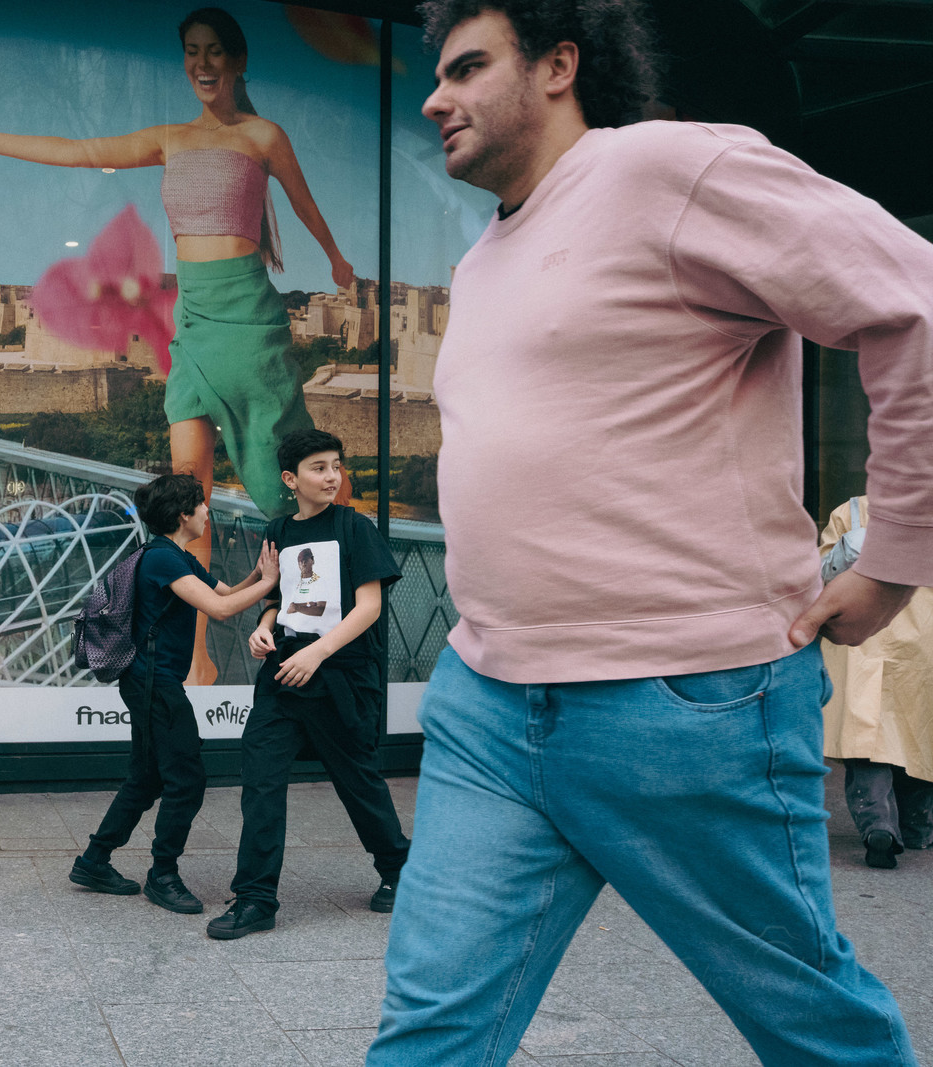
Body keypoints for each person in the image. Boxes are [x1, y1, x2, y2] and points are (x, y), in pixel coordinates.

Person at [368, 2, 933, 1063]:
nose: (434, 97)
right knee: (431, 1029)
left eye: (466, 67)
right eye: (433, 76)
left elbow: (914, 302)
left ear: (559, 67)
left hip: (684, 698)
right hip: (488, 701)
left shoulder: (669, 170)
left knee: (812, 1023)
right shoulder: (483, 259)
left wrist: (898, 554)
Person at [0, 6, 354, 684]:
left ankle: (308, 635)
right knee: (192, 502)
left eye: (215, 51)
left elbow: (303, 204)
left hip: (250, 324)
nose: (203, 64)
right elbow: (83, 153)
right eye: (192, 52)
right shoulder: (169, 139)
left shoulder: (263, 135)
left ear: (237, 60)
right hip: (193, 327)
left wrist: (335, 257)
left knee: (285, 495)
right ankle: (197, 659)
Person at [207, 429, 410, 939]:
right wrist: (262, 627)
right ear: (290, 479)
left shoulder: (353, 527)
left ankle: (402, 873)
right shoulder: (279, 530)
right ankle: (255, 899)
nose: (331, 476)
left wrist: (319, 653)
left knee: (357, 782)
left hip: (340, 671)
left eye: (336, 466)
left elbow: (370, 607)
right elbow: (282, 598)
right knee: (261, 782)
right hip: (285, 670)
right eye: (319, 467)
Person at [69, 473, 280, 913]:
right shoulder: (163, 559)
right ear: (184, 514)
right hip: (154, 684)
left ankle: (94, 859)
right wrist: (270, 584)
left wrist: (260, 575)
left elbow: (226, 592)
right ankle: (162, 874)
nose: (208, 512)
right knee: (186, 779)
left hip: (150, 683)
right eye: (202, 505)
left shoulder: (175, 556)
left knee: (146, 778)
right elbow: (221, 610)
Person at [819, 496, 933, 869]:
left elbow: (822, 571)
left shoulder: (851, 510)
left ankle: (878, 826)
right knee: (916, 741)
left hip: (865, 636)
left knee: (866, 746)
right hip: (920, 643)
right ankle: (917, 830)